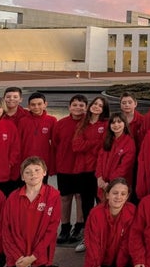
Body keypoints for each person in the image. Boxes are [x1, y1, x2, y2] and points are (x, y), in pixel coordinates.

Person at [2, 156, 61, 267]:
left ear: (44, 173)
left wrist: (33, 257)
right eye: (27, 172)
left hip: (38, 257)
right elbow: (6, 231)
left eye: (36, 170)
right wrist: (18, 257)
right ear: (22, 176)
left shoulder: (53, 196)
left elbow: (51, 230)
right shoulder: (13, 198)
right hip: (18, 257)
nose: (33, 174)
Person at [80, 178, 135, 267]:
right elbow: (92, 243)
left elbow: (127, 243)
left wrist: (121, 266)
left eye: (123, 194)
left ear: (127, 197)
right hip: (100, 262)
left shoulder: (131, 212)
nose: (118, 197)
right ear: (107, 194)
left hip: (119, 261)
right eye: (115, 193)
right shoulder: (96, 214)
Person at [72, 96, 110, 249]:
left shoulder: (106, 124)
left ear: (103, 109)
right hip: (84, 170)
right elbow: (76, 146)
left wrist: (87, 145)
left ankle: (104, 236)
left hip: (100, 170)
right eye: (95, 104)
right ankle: (88, 237)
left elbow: (105, 145)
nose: (96, 107)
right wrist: (94, 144)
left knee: (102, 203)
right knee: (87, 205)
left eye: (100, 105)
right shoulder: (83, 123)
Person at [52, 94, 87, 245]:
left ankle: (79, 226)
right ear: (69, 107)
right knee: (65, 197)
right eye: (75, 105)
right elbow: (55, 143)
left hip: (82, 167)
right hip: (64, 166)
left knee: (80, 196)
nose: (78, 108)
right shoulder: (61, 124)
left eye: (81, 105)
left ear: (86, 108)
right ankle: (65, 227)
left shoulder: (88, 123)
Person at [18, 92, 57, 185]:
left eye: (39, 104)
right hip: (25, 161)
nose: (36, 107)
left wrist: (52, 164)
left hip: (43, 162)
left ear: (45, 104)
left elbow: (55, 143)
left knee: (42, 189)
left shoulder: (52, 120)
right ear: (28, 106)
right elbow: (18, 142)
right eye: (33, 105)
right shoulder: (23, 121)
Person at [95, 113, 136, 201]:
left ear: (125, 124)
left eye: (119, 122)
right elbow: (100, 159)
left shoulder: (129, 142)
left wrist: (110, 182)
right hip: (103, 185)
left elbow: (124, 167)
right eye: (113, 123)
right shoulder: (107, 140)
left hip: (118, 185)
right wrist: (99, 177)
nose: (116, 125)